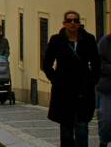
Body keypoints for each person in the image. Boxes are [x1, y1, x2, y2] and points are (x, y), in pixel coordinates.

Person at [43, 10, 100, 147]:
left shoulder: (89, 39)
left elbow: (96, 62)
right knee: (66, 131)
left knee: (82, 128)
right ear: (64, 23)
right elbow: (46, 64)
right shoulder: (56, 40)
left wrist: (92, 80)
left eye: (75, 20)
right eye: (69, 21)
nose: (73, 23)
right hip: (64, 90)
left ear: (79, 24)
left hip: (83, 90)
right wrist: (55, 79)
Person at [98, 30, 111, 147]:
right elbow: (98, 64)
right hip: (107, 88)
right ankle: (103, 141)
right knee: (106, 119)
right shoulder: (105, 42)